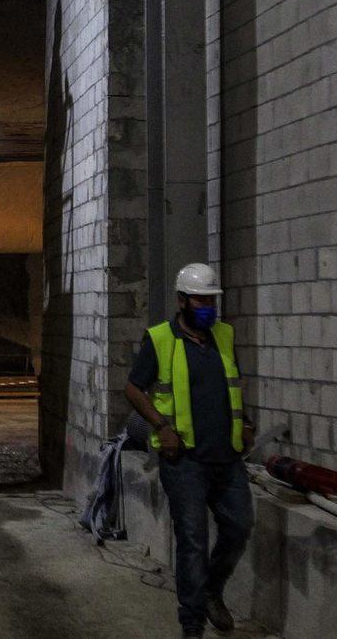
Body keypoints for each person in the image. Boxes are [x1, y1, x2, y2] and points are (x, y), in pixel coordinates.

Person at [123, 263, 256, 639]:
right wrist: (161, 427)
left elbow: (233, 386)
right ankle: (192, 623)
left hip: (226, 458)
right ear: (182, 300)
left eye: (212, 300)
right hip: (185, 462)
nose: (208, 307)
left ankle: (213, 589)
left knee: (240, 525)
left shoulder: (224, 336)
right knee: (193, 541)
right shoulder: (161, 339)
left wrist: (245, 423)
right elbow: (133, 388)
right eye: (200, 299)